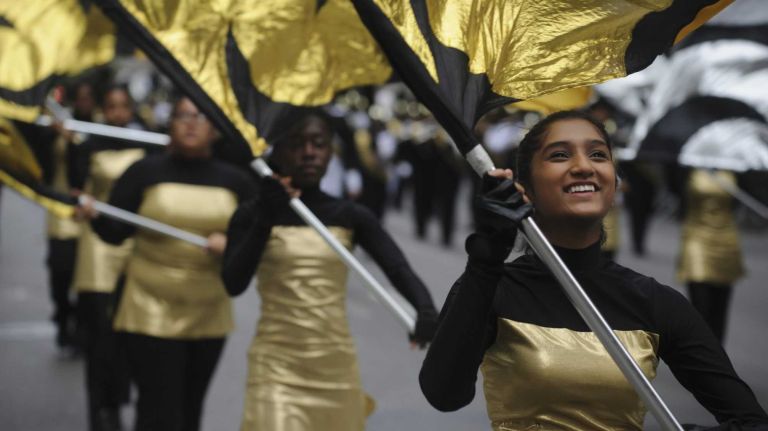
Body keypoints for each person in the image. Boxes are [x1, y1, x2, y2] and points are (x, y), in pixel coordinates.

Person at [419, 110, 768, 430]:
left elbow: (750, 421)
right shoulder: (493, 287)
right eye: (559, 155)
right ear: (525, 188)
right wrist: (486, 258)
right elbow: (444, 394)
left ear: (614, 185)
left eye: (598, 154)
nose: (584, 166)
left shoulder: (656, 303)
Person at [222, 109, 439, 431]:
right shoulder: (252, 214)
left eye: (319, 144)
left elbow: (396, 267)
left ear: (330, 152)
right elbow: (233, 284)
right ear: (276, 151)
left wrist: (425, 309)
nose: (309, 152)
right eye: (297, 143)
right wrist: (264, 220)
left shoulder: (350, 215)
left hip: (336, 365)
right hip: (274, 367)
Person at [81, 96, 256, 431]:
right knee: (158, 408)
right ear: (170, 124)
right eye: (183, 116)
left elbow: (255, 244)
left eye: (201, 116)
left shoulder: (237, 181)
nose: (191, 123)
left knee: (191, 408)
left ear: (216, 130)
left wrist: (233, 244)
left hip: (208, 311)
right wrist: (95, 215)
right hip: (148, 306)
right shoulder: (144, 172)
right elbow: (116, 232)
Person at [69, 84, 153, 431]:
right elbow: (74, 193)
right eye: (111, 106)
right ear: (104, 110)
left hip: (134, 247)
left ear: (131, 109)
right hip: (98, 248)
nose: (118, 113)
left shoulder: (148, 146)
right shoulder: (88, 146)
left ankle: (121, 400)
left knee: (129, 336)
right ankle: (100, 410)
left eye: (123, 106)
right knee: (100, 335)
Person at [678, 168, 745, 343]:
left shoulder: (735, 167)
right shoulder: (687, 168)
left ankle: (718, 356)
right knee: (701, 305)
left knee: (720, 308)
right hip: (697, 238)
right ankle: (699, 352)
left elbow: (743, 199)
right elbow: (677, 196)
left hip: (726, 239)